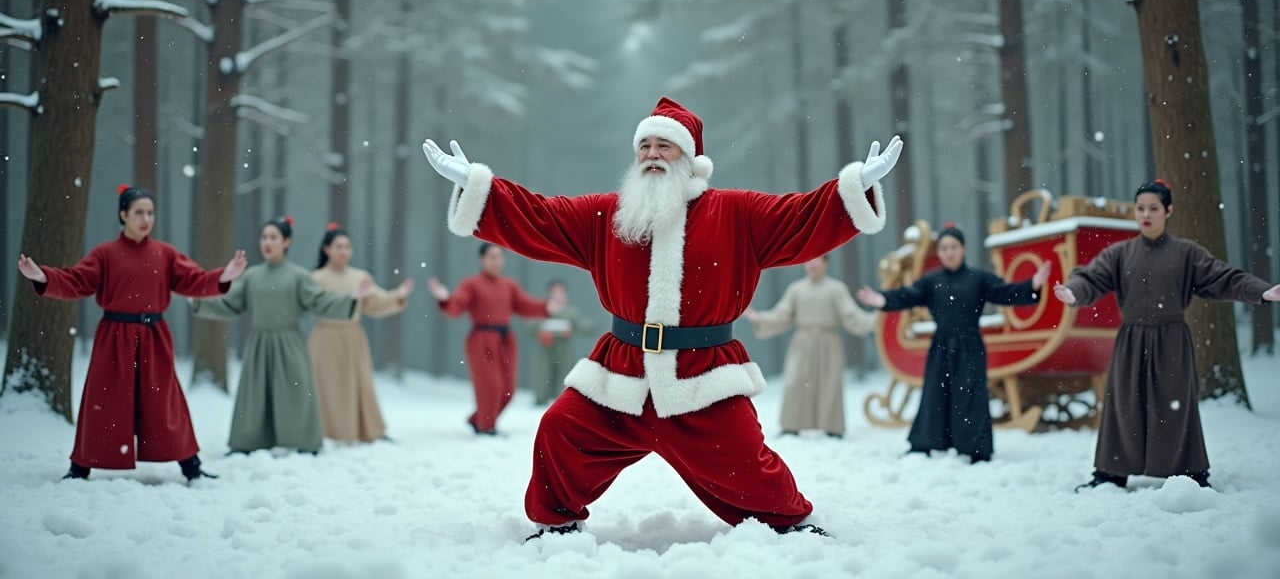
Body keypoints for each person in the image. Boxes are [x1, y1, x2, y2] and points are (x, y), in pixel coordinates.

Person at [422, 97, 902, 539]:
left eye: (665, 145)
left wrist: (854, 189)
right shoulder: (608, 215)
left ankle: (791, 524)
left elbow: (801, 216)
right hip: (620, 374)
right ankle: (555, 524)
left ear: (690, 157)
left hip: (703, 377)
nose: (652, 153)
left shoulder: (738, 212)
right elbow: (540, 216)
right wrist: (479, 188)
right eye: (645, 145)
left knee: (751, 470)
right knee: (560, 430)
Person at [1053, 180, 1280, 491]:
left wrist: (1262, 291)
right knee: (1124, 405)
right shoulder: (1120, 254)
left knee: (1175, 406)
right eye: (1141, 208)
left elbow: (1223, 277)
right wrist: (1073, 291)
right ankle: (1110, 474)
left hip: (1171, 340)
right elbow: (1089, 277)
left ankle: (1190, 473)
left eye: (1153, 208)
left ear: (1168, 211)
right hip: (1131, 341)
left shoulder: (1186, 253)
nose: (1146, 214)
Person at [16, 184, 247, 482]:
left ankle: (191, 467)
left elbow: (193, 280)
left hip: (154, 337)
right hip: (115, 337)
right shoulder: (106, 254)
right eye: (139, 212)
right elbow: (77, 280)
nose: (146, 219)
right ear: (123, 214)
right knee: (104, 400)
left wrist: (223, 276)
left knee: (165, 401)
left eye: (150, 212)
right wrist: (44, 277)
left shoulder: (165, 254)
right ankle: (80, 468)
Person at [856, 225, 1050, 463]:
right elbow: (909, 295)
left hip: (970, 346)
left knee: (970, 396)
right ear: (939, 252)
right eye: (944, 248)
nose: (949, 253)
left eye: (953, 248)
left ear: (963, 249)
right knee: (935, 395)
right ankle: (928, 443)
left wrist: (1032, 286)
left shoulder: (978, 279)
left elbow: (1005, 292)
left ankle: (974, 448)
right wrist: (883, 299)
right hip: (941, 347)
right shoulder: (931, 281)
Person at [191, 217, 372, 454]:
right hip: (259, 344)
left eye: (274, 237)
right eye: (264, 237)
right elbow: (230, 303)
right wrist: (199, 300)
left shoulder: (298, 276)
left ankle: (301, 441)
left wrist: (350, 298)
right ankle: (249, 442)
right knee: (256, 395)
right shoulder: (252, 276)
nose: (268, 242)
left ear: (286, 241)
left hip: (289, 345)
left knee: (294, 393)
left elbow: (320, 301)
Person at [428, 243, 559, 435]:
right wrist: (446, 299)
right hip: (482, 339)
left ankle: (478, 420)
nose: (496, 261)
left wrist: (546, 307)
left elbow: (524, 305)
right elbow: (457, 306)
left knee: (508, 390)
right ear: (482, 260)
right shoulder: (472, 284)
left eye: (499, 257)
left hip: (505, 339)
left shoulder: (509, 285)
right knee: (491, 386)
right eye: (492, 257)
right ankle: (486, 427)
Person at [744, 255, 875, 438]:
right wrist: (760, 319)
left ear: (826, 264)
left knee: (829, 384)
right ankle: (791, 425)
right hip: (802, 342)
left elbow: (851, 317)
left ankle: (832, 427)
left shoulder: (836, 289)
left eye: (817, 260)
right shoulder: (796, 289)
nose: (812, 264)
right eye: (809, 260)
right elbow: (783, 315)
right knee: (795, 381)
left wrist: (877, 321)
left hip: (828, 342)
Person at [308, 223, 414, 443]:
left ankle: (366, 430)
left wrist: (397, 296)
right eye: (338, 246)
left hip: (352, 338)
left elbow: (375, 304)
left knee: (357, 383)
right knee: (324, 385)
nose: (343, 251)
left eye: (347, 246)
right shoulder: (316, 278)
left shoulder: (359, 277)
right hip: (324, 338)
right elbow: (314, 305)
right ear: (326, 249)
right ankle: (322, 430)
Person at [529, 279, 595, 406]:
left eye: (561, 292)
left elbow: (584, 326)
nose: (558, 295)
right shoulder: (541, 310)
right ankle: (541, 398)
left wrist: (574, 329)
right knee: (542, 373)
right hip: (545, 347)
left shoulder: (570, 312)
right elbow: (531, 326)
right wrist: (540, 330)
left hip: (563, 347)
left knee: (564, 373)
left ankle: (562, 400)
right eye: (555, 292)